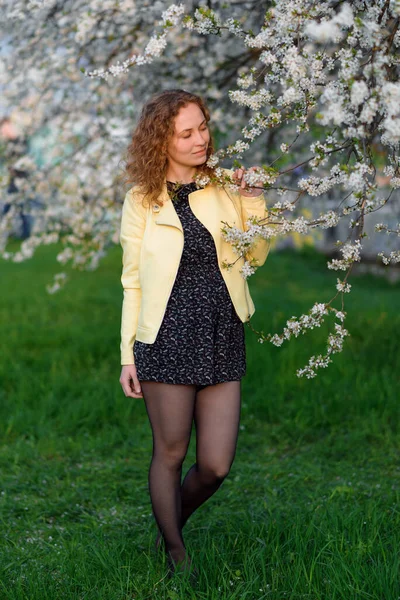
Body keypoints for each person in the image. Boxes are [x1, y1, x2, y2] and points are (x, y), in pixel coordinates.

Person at [118, 89, 271, 580]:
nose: (200, 139)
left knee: (216, 465)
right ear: (161, 141)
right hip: (165, 336)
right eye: (186, 133)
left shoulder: (225, 185)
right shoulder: (142, 199)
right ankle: (177, 555)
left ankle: (170, 526)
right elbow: (132, 281)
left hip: (222, 331)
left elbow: (256, 256)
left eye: (202, 127)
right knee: (170, 452)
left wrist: (255, 201)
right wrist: (128, 355)